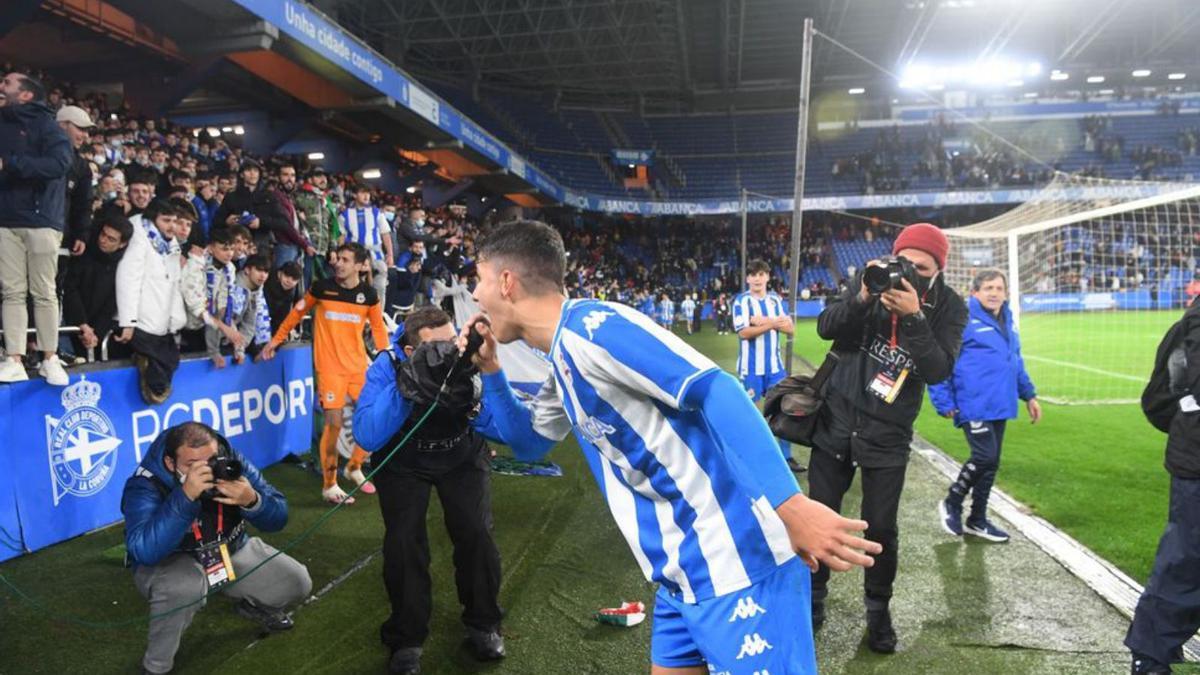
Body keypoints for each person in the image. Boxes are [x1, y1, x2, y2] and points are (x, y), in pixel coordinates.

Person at [466, 219, 881, 675]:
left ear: (506, 282)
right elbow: (529, 443)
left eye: (479, 280)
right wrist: (491, 372)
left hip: (737, 561)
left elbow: (717, 388)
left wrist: (791, 505)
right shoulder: (562, 355)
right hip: (680, 574)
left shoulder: (595, 328)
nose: (474, 295)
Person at [809, 222, 967, 653]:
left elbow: (938, 370)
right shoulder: (870, 277)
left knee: (881, 528)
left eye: (922, 267)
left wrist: (914, 315)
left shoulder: (950, 306)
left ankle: (878, 614)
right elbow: (826, 326)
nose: (909, 273)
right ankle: (812, 599)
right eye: (904, 263)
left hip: (888, 431)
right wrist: (862, 296)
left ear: (938, 271)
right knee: (820, 517)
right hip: (837, 416)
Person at [353, 307, 513, 674]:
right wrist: (409, 386)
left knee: (476, 535)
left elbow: (501, 428)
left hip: (460, 453)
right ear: (410, 352)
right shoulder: (388, 365)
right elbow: (367, 435)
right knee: (404, 543)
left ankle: (484, 623)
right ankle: (406, 639)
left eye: (450, 342)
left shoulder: (469, 360)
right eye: (434, 348)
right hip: (403, 461)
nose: (448, 352)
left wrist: (475, 392)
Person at [121, 421, 312, 675]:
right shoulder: (145, 483)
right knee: (184, 586)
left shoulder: (231, 460)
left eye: (211, 460)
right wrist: (185, 496)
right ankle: (156, 667)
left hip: (228, 550)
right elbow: (144, 551)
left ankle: (250, 603)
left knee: (298, 582)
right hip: (173, 562)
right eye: (192, 465)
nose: (206, 470)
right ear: (170, 464)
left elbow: (279, 517)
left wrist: (253, 500)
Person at [261, 242, 388, 505]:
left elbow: (378, 330)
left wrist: (385, 356)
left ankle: (353, 467)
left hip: (358, 367)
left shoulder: (370, 295)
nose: (337, 263)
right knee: (333, 423)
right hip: (330, 370)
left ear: (360, 265)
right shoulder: (321, 288)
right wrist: (276, 340)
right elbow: (296, 315)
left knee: (372, 419)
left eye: (344, 259)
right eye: (336, 258)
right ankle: (329, 485)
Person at [930, 269, 1041, 543]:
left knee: (991, 464)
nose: (994, 293)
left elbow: (1015, 360)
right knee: (984, 457)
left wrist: (1029, 395)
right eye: (988, 288)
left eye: (999, 288)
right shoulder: (963, 318)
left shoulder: (1008, 319)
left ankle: (977, 519)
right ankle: (952, 502)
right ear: (975, 292)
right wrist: (943, 400)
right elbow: (939, 360)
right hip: (973, 401)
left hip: (1000, 401)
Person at [1126, 295, 1200, 674]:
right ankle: (1150, 654)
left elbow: (1158, 402)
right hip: (1196, 464)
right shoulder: (1191, 328)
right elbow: (1160, 400)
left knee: (1186, 559)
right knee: (1187, 560)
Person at [0, 71, 74, 385]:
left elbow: (60, 165)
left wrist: (11, 165)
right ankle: (14, 358)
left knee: (43, 293)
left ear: (26, 94)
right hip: (5, 220)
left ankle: (50, 357)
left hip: (42, 220)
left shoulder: (48, 127)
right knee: (11, 293)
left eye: (6, 83)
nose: (0, 87)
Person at [115, 199, 187, 404]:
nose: (172, 226)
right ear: (153, 219)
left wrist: (176, 320)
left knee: (170, 360)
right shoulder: (139, 237)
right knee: (155, 366)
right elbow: (128, 279)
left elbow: (174, 284)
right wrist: (128, 321)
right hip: (141, 322)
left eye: (175, 221)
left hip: (162, 324)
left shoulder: (171, 243)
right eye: (166, 220)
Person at [733, 259, 797, 469]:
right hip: (750, 368)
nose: (757, 278)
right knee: (749, 413)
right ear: (747, 279)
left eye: (761, 274)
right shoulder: (741, 302)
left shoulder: (775, 301)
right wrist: (773, 322)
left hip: (775, 367)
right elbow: (744, 333)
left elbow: (790, 329)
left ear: (768, 277)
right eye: (753, 274)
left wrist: (762, 321)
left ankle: (786, 457)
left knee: (782, 410)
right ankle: (749, 456)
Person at [59, 211, 132, 361]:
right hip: (71, 319)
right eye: (103, 234)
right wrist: (82, 323)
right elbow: (70, 289)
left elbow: (110, 305)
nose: (103, 240)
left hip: (94, 330)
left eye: (111, 239)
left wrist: (95, 333)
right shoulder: (84, 253)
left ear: (122, 244)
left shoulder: (122, 266)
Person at [214, 157, 285, 257]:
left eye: (255, 171)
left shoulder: (269, 196)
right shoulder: (232, 196)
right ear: (242, 174)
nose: (252, 174)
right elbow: (216, 222)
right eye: (248, 170)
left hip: (261, 248)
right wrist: (227, 221)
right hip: (235, 250)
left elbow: (282, 222)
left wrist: (261, 222)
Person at [340, 184, 394, 301]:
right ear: (355, 195)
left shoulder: (376, 212)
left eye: (368, 193)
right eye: (362, 193)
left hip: (376, 255)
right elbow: (341, 237)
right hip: (354, 256)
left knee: (380, 287)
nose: (366, 196)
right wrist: (341, 257)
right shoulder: (345, 215)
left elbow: (385, 234)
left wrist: (390, 254)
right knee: (356, 288)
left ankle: (378, 317)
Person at [263, 261, 303, 335]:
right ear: (279, 273)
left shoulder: (291, 293)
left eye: (294, 279)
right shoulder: (266, 280)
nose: (289, 281)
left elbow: (281, 319)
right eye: (287, 276)